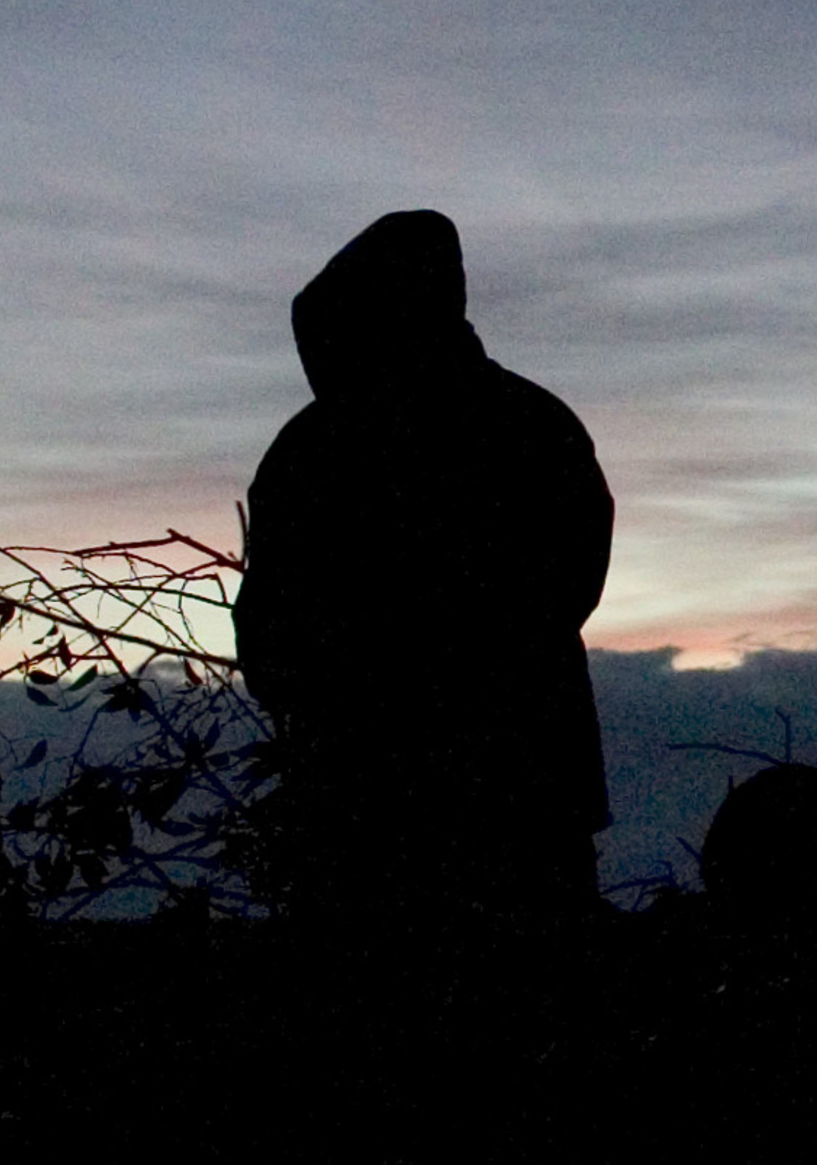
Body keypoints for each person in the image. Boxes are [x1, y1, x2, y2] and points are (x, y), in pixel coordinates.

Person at [234, 210, 613, 935]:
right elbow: (567, 586)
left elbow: (271, 630)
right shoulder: (535, 425)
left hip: (385, 800)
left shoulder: (312, 450)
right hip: (514, 789)